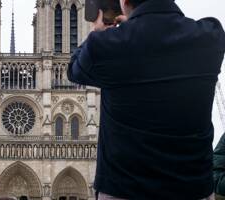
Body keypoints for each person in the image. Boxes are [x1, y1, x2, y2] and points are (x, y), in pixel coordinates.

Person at [67, 0, 225, 199]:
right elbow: (161, 41)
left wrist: (99, 33)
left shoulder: (107, 45)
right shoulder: (211, 36)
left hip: (125, 191)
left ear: (124, 2)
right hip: (192, 190)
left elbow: (74, 70)